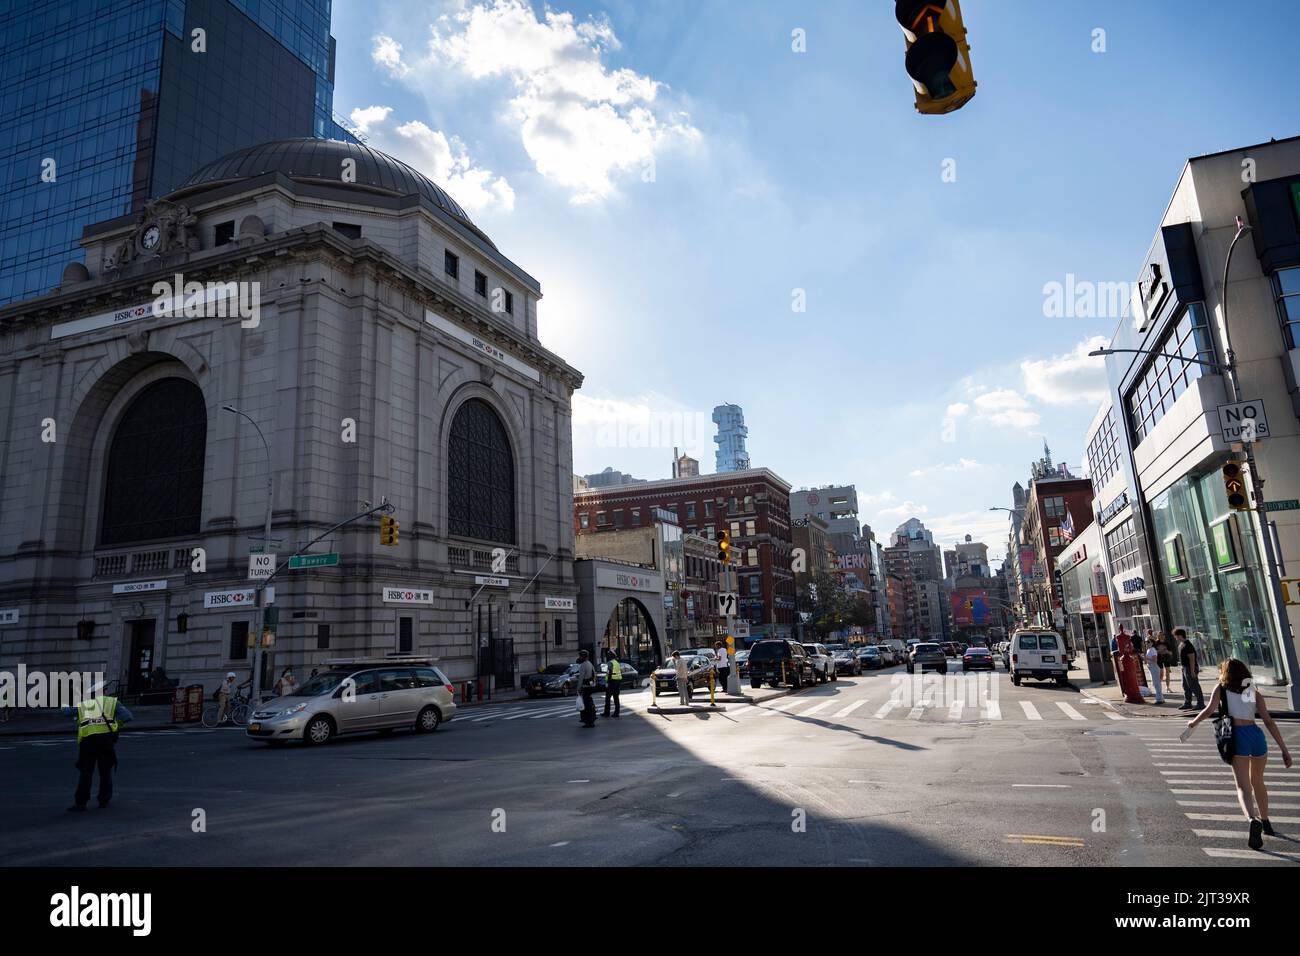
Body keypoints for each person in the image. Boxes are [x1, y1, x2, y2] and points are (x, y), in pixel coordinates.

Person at [1187, 659, 1293, 849]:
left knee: (1243, 787)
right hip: (1256, 735)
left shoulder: (1220, 689)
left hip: (1237, 737)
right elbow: (1269, 721)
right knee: (1258, 782)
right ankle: (1267, 822)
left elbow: (1209, 710)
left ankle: (1252, 819)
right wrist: (1284, 749)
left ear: (1224, 673)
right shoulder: (1254, 692)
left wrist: (1193, 723)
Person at [64, 684, 133, 811]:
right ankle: (104, 800)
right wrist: (117, 725)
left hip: (88, 741)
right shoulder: (113, 702)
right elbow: (128, 716)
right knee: (105, 771)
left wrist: (65, 701)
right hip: (106, 740)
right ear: (105, 691)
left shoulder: (84, 704)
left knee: (86, 772)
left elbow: (66, 711)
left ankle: (81, 802)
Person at [1177, 629, 1204, 711]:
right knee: (1185, 685)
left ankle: (1200, 703)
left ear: (1180, 635)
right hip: (1185, 667)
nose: (1176, 638)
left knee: (1194, 685)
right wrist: (1182, 667)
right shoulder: (1182, 644)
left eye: (1176, 636)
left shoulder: (1188, 645)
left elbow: (1192, 658)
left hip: (1190, 668)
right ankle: (1187, 702)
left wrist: (1192, 671)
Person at [576, 650, 597, 727]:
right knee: (589, 703)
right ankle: (592, 718)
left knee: (586, 704)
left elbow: (581, 678)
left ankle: (588, 721)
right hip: (591, 686)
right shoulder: (590, 663)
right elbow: (594, 674)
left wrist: (578, 688)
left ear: (583, 656)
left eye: (580, 656)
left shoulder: (583, 665)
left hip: (585, 687)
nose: (579, 657)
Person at [1144, 637, 1164, 704]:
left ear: (1152, 643)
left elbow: (1155, 660)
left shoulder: (1152, 650)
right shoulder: (1148, 650)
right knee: (1156, 684)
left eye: (1148, 642)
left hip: (1154, 668)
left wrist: (1146, 658)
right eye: (1146, 642)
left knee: (1157, 684)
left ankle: (1159, 699)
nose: (1146, 643)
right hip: (1151, 668)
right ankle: (1160, 698)